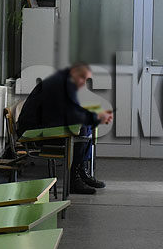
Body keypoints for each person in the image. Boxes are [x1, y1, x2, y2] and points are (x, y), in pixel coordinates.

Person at [17, 63, 113, 194]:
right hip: (32, 132)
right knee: (82, 130)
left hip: (43, 126)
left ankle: (81, 171)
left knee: (87, 126)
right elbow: (71, 115)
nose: (83, 83)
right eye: (83, 78)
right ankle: (74, 179)